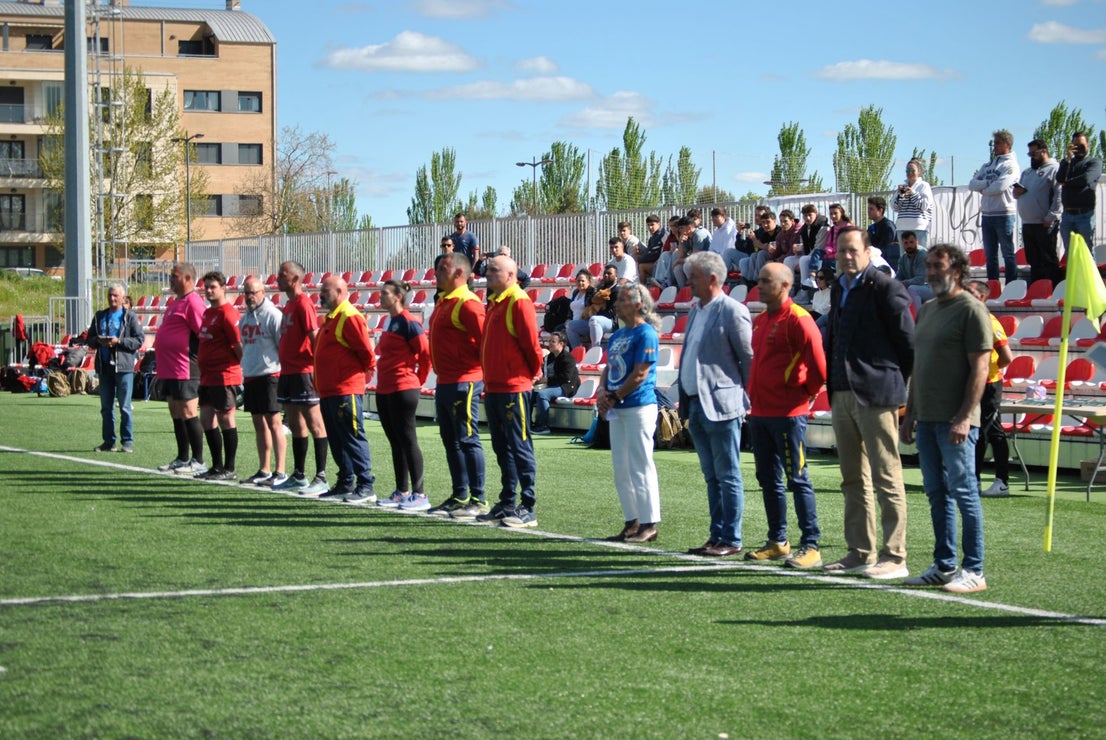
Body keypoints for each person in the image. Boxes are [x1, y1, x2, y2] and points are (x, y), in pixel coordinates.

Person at [822, 227, 915, 579]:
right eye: (841, 251)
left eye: (852, 250)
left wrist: (889, 381)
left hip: (877, 394)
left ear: (868, 252)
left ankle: (895, 556)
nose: (846, 256)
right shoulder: (838, 288)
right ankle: (860, 551)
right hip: (842, 392)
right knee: (852, 479)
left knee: (886, 476)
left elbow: (908, 345)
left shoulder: (886, 287)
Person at [901, 244, 992, 593]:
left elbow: (980, 368)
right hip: (927, 419)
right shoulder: (926, 310)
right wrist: (910, 414)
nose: (930, 272)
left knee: (964, 492)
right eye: (928, 265)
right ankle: (944, 564)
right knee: (936, 493)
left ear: (956, 269)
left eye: (937, 265)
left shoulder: (971, 309)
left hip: (956, 421)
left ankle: (975, 569)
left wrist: (964, 417)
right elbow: (918, 367)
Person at [746, 263, 828, 569]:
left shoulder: (799, 319)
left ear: (784, 285)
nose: (760, 285)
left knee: (797, 478)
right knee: (768, 479)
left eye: (766, 281)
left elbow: (819, 367)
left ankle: (811, 545)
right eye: (759, 280)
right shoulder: (760, 321)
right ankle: (778, 541)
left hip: (788, 414)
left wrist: (802, 395)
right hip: (760, 413)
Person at [679, 251, 754, 558]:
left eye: (694, 277)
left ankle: (731, 538)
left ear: (712, 279)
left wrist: (746, 399)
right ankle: (717, 535)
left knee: (728, 474)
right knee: (712, 476)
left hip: (722, 405)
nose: (688, 282)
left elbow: (748, 359)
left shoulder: (733, 311)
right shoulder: (696, 311)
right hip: (696, 404)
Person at [476, 256, 543, 528]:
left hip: (513, 387)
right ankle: (507, 502)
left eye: (494, 270)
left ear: (511, 275)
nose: (488, 274)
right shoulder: (495, 302)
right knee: (502, 447)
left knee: (519, 445)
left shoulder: (518, 301)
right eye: (488, 269)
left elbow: (531, 346)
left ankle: (527, 505)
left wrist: (528, 374)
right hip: (494, 387)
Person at [597, 283, 662, 543]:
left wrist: (615, 396)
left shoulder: (646, 333)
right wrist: (602, 391)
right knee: (621, 468)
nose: (617, 304)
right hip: (618, 406)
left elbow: (640, 373)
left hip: (638, 405)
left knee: (640, 464)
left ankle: (649, 523)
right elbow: (608, 367)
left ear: (638, 304)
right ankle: (631, 520)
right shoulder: (618, 335)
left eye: (623, 300)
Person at [427, 251, 487, 519]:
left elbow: (485, 343)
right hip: (445, 381)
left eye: (443, 268)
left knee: (467, 438)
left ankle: (478, 498)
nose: (437, 273)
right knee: (450, 440)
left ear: (460, 273)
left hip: (465, 381)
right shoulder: (444, 301)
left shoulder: (468, 303)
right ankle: (460, 495)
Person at [314, 275, 377, 504]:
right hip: (329, 390)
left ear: (340, 292)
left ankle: (365, 484)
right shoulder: (331, 318)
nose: (321, 295)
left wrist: (359, 377)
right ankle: (345, 481)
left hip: (345, 389)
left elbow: (366, 353)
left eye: (326, 291)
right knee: (337, 438)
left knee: (352, 436)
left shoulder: (349, 316)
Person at [373, 280, 432, 511]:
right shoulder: (390, 321)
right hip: (385, 387)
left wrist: (418, 381)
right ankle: (402, 491)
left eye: (385, 293)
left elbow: (425, 354)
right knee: (395, 441)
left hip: (403, 387)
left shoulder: (409, 322)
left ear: (398, 296)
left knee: (408, 440)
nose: (380, 296)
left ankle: (420, 494)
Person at [273, 261, 330, 497]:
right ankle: (298, 474)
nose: (277, 278)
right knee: (295, 424)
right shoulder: (289, 305)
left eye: (282, 275)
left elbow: (314, 337)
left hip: (303, 372)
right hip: (287, 372)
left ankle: (321, 476)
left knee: (315, 423)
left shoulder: (304, 303)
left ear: (295, 279)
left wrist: (317, 368)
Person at [155, 262, 208, 476]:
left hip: (185, 367)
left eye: (174, 275)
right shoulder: (176, 302)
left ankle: (198, 460)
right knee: (176, 412)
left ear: (187, 279)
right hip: (169, 368)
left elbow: (203, 334)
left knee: (188, 411)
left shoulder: (193, 302)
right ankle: (182, 457)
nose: (171, 278)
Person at [238, 277, 287, 487]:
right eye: (247, 293)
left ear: (263, 293)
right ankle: (264, 469)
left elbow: (282, 346)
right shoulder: (244, 319)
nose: (250, 297)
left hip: (270, 375)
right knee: (259, 424)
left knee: (274, 423)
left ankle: (280, 471)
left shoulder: (273, 315)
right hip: (251, 375)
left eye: (253, 292)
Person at [967, 280, 1013, 498]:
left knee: (988, 431)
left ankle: (1001, 481)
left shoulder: (990, 322)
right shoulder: (969, 320)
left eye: (970, 292)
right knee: (980, 430)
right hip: (974, 382)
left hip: (990, 384)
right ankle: (975, 480)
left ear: (982, 297)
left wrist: (988, 371)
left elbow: (1007, 357)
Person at [195, 271, 243, 481]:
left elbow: (238, 345)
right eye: (206, 287)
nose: (208, 290)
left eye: (213, 287)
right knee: (206, 419)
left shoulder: (228, 313)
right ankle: (216, 466)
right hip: (207, 377)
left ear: (223, 288)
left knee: (225, 419)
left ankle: (229, 468)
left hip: (224, 375)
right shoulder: (208, 313)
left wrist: (240, 369)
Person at [88, 283, 144, 453]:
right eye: (110, 295)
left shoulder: (130, 316)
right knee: (106, 407)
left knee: (125, 407)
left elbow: (139, 340)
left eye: (115, 296)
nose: (112, 298)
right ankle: (108, 441)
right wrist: (99, 341)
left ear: (123, 298)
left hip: (123, 367)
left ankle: (127, 441)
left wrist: (119, 341)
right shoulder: (99, 316)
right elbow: (89, 339)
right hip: (104, 367)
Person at [969, 129, 1021, 284]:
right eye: (994, 143)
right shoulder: (987, 165)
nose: (995, 146)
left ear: (1007, 144)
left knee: (1007, 253)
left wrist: (983, 190)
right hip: (987, 214)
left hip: (1004, 213)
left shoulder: (1011, 165)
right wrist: (987, 183)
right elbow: (972, 184)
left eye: (998, 143)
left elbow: (1000, 186)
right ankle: (993, 286)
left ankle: (1011, 286)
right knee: (990, 255)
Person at [1014, 139, 1063, 286]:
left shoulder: (1055, 168)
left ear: (1044, 151)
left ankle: (1053, 290)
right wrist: (1017, 192)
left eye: (1034, 153)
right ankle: (1037, 290)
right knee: (1033, 261)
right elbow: (1016, 195)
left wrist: (1052, 216)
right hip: (1027, 223)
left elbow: (1059, 194)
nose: (1031, 157)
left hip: (1044, 223)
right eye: (1029, 154)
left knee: (1048, 259)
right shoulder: (1027, 172)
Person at [1057, 131, 1103, 251]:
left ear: (1088, 145)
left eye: (1082, 145)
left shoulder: (1094, 162)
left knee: (1086, 251)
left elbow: (1086, 179)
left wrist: (1067, 183)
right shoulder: (1068, 163)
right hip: (1067, 215)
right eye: (1076, 145)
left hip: (1084, 215)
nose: (1079, 148)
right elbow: (1059, 178)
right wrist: (1068, 158)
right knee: (1070, 252)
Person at [531, 330, 580, 434]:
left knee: (542, 395)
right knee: (529, 394)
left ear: (561, 344)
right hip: (552, 385)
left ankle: (543, 426)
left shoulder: (568, 358)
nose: (549, 344)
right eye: (549, 341)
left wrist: (547, 380)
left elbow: (566, 378)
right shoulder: (550, 357)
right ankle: (527, 423)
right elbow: (542, 371)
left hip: (565, 387)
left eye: (553, 341)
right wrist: (537, 378)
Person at [566, 265, 619, 350]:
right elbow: (589, 301)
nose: (606, 275)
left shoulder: (618, 290)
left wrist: (600, 303)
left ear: (616, 276)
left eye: (609, 273)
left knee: (594, 319)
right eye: (605, 273)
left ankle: (595, 349)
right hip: (594, 321)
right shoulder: (600, 287)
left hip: (610, 321)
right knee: (570, 326)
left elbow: (611, 309)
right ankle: (577, 351)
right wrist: (595, 300)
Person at [891, 158, 934, 247]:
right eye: (907, 170)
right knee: (904, 255)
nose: (910, 173)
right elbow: (894, 207)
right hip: (902, 227)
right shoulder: (902, 187)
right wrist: (901, 195)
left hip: (919, 227)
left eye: (912, 170)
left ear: (919, 171)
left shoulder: (924, 186)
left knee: (920, 253)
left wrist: (913, 193)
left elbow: (924, 205)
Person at [896, 232, 931, 312]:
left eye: (911, 242)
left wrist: (902, 283)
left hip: (931, 287)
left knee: (912, 289)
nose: (909, 245)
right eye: (906, 243)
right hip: (917, 287)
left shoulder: (922, 254)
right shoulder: (903, 258)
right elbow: (899, 277)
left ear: (916, 242)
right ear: (902, 244)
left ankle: (918, 318)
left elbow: (920, 280)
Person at [867, 195, 900, 265]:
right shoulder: (871, 228)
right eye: (868, 209)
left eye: (871, 209)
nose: (868, 211)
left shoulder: (888, 226)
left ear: (880, 210)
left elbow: (885, 247)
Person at [637, 214, 665, 285]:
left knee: (641, 266)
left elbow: (657, 253)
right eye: (648, 225)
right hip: (655, 263)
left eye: (652, 224)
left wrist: (640, 259)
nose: (650, 227)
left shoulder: (663, 235)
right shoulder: (652, 238)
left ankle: (642, 288)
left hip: (662, 265)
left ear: (658, 224)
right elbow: (649, 253)